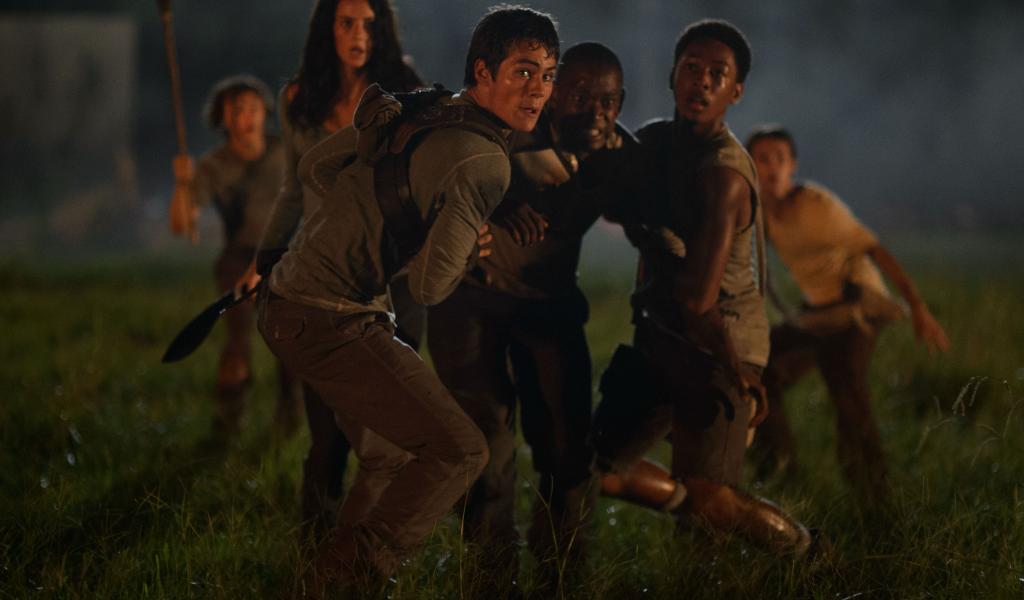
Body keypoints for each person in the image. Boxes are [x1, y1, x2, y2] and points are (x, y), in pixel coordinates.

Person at [255, 6, 560, 591]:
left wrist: (367, 220)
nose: (538, 90)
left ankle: (326, 581)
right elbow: (429, 287)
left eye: (548, 75)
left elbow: (317, 168)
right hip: (331, 317)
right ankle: (347, 578)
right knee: (461, 451)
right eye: (523, 72)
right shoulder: (486, 163)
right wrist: (463, 244)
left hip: (292, 300)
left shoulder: (423, 104)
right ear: (484, 71)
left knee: (391, 456)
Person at [591, 19, 812, 555]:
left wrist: (738, 372)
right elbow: (611, 196)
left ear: (735, 92)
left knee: (711, 498)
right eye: (692, 68)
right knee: (594, 468)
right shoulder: (654, 143)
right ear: (673, 76)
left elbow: (698, 299)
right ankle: (687, 504)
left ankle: (807, 552)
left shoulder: (724, 175)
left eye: (718, 73)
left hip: (719, 342)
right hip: (665, 333)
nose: (703, 81)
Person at [427, 41, 633, 590]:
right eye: (580, 97)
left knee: (568, 446)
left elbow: (653, 218)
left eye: (608, 101)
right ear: (553, 94)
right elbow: (441, 165)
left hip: (548, 305)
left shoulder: (619, 155)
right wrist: (493, 202)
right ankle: (491, 579)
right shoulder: (507, 129)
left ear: (621, 103)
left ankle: (563, 573)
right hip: (471, 300)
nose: (594, 112)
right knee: (487, 446)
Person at [255, 0, 426, 544]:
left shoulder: (405, 91)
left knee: (393, 427)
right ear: (327, 29)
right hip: (321, 278)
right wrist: (267, 256)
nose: (359, 35)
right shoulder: (298, 96)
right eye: (347, 23)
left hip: (390, 278)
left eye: (369, 25)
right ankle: (315, 551)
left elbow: (422, 180)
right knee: (326, 433)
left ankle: (374, 549)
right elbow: (293, 186)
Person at [745, 125, 950, 506]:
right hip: (817, 313)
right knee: (758, 366)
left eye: (780, 159)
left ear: (792, 166)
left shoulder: (818, 205)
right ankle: (779, 472)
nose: (772, 168)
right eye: (762, 159)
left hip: (857, 307)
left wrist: (918, 307)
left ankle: (873, 496)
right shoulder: (758, 213)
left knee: (846, 387)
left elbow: (874, 248)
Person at [168, 75, 302, 437]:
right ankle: (229, 422)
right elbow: (181, 224)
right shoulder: (215, 165)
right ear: (223, 118)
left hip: (285, 255)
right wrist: (182, 183)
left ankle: (290, 422)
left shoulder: (285, 152)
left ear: (264, 112)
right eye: (238, 110)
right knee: (238, 338)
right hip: (238, 258)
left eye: (253, 109)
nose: (247, 117)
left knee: (291, 340)